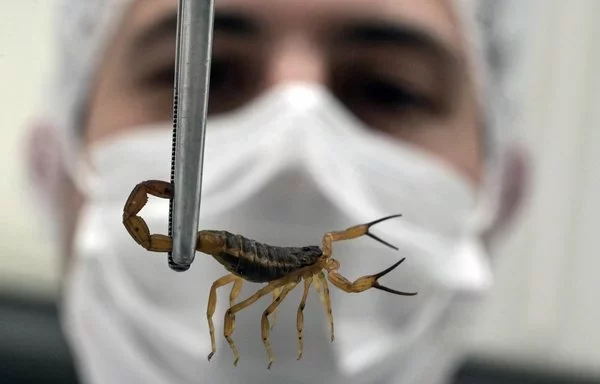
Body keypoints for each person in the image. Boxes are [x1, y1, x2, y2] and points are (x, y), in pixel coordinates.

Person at [24, 0, 530, 383]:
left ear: (501, 199)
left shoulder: (312, 267)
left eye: (389, 88)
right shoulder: (316, 272)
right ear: (55, 171)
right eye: (209, 74)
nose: (294, 161)